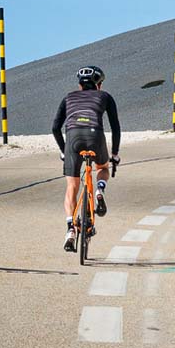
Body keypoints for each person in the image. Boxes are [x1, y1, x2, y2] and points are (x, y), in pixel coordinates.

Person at [52, 65, 121, 252]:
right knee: (102, 168)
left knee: (72, 186)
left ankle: (70, 230)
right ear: (99, 84)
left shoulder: (68, 97)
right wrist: (114, 154)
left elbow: (55, 128)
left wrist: (63, 150)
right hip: (95, 136)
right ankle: (100, 190)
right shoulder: (105, 96)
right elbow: (115, 127)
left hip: (73, 138)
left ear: (80, 85)